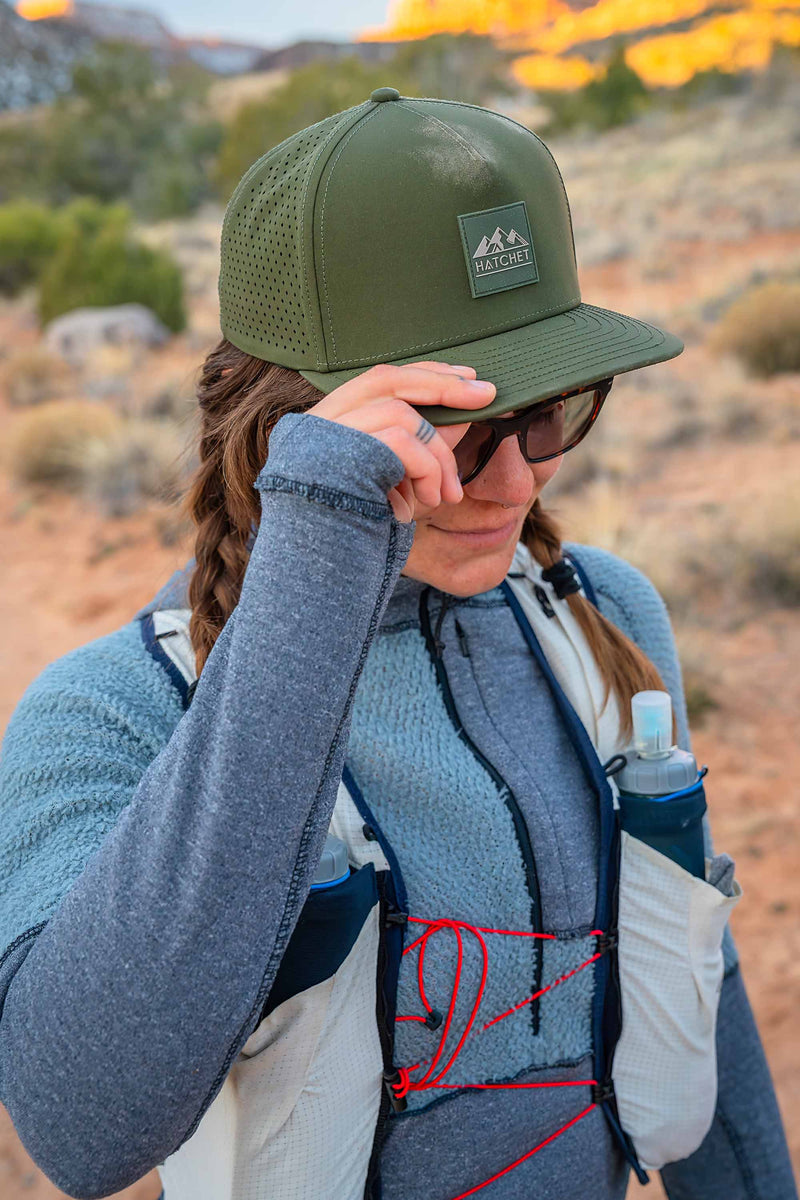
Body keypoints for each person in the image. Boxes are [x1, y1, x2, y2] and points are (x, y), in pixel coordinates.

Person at [0, 88, 795, 1200]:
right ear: (291, 425)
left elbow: (684, 972)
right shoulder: (112, 712)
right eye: (456, 435)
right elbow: (79, 1126)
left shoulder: (599, 617)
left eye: (548, 410)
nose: (516, 480)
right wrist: (321, 540)